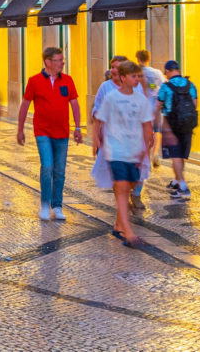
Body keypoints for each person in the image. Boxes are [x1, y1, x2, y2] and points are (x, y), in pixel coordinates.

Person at [17, 47, 82, 221]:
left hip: (62, 132)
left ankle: (58, 205)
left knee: (59, 170)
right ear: (48, 62)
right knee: (47, 166)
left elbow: (74, 104)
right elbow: (25, 104)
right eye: (59, 60)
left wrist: (77, 127)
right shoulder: (34, 81)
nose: (62, 63)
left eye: (62, 60)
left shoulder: (68, 80)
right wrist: (20, 129)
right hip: (42, 131)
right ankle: (45, 204)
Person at [93, 61, 154, 248]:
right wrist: (96, 139)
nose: (137, 79)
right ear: (123, 77)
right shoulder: (111, 97)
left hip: (134, 150)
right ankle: (128, 233)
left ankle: (119, 223)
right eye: (134, 76)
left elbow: (146, 124)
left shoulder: (141, 99)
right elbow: (98, 118)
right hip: (116, 149)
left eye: (139, 76)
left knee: (130, 185)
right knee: (120, 187)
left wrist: (147, 147)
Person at [92, 55, 146, 210]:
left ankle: (136, 194)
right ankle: (122, 204)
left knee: (137, 170)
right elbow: (97, 112)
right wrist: (96, 136)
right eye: (112, 66)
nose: (113, 70)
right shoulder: (105, 87)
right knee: (118, 173)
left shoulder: (136, 86)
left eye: (117, 67)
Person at [158, 60, 198, 200]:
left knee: (175, 156)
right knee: (181, 155)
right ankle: (176, 180)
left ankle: (182, 186)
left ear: (168, 71)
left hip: (172, 125)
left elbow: (158, 104)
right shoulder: (190, 84)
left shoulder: (166, 86)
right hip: (187, 124)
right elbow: (195, 104)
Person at [136, 49, 164, 167]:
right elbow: (162, 86)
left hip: (141, 108)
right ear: (149, 59)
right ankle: (155, 153)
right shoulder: (157, 73)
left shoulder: (135, 73)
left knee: (144, 134)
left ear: (137, 59)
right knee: (157, 131)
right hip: (155, 106)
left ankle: (146, 159)